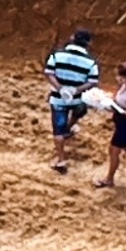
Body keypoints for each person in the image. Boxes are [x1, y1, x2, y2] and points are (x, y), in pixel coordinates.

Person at [43, 25, 101, 173]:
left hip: (58, 99)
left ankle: (61, 159)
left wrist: (60, 88)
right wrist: (76, 90)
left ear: (72, 38)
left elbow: (49, 73)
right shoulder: (90, 62)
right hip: (78, 99)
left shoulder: (57, 55)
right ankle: (69, 127)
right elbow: (93, 81)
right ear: (88, 43)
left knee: (58, 130)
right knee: (79, 112)